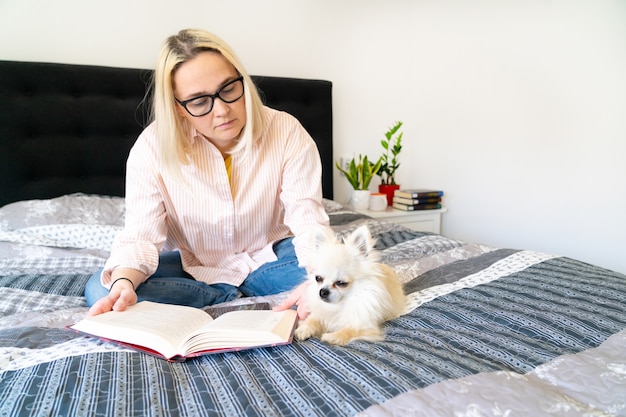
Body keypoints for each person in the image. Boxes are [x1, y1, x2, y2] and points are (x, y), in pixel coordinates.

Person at [85, 28, 330, 318]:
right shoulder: (151, 148)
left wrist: (322, 277)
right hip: (195, 269)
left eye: (228, 89)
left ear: (242, 80)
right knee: (104, 289)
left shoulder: (286, 131)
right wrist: (125, 283)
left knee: (352, 274)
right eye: (200, 102)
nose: (223, 110)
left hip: (272, 260)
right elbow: (141, 237)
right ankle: (222, 292)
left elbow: (307, 220)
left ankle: (220, 294)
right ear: (178, 109)